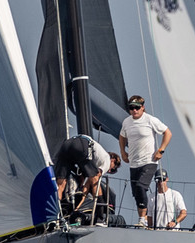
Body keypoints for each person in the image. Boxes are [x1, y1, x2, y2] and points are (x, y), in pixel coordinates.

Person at [118, 95, 171, 227]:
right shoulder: (127, 122)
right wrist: (123, 152)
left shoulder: (150, 120)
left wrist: (161, 150)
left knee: (141, 187)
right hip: (134, 163)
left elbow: (167, 132)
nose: (134, 110)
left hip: (149, 161)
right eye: (131, 108)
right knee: (136, 193)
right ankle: (142, 219)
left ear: (142, 108)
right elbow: (122, 136)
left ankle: (144, 219)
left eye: (137, 108)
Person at [52, 134, 111, 217]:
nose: (110, 171)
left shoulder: (90, 164)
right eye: (113, 169)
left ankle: (55, 216)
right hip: (82, 144)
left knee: (60, 184)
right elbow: (94, 179)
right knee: (95, 181)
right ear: (113, 160)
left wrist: (77, 206)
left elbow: (84, 184)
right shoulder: (107, 160)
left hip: (67, 144)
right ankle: (100, 217)